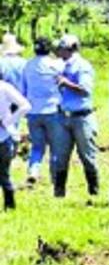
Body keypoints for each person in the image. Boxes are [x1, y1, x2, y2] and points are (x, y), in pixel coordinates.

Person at [52, 34, 100, 197]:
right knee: (61, 155)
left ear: (69, 49)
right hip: (63, 116)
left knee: (87, 155)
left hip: (82, 117)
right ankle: (59, 192)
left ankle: (93, 191)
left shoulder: (82, 66)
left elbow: (85, 89)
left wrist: (66, 82)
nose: (59, 52)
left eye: (61, 49)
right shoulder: (61, 66)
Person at [19, 37, 65, 187]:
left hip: (33, 111)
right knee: (55, 147)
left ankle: (33, 171)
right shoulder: (56, 65)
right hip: (52, 110)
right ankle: (55, 178)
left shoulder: (27, 66)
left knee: (37, 146)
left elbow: (22, 89)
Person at [0, 78, 31, 210]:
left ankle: (10, 205)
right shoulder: (4, 87)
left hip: (3, 137)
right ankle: (10, 206)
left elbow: (26, 106)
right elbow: (25, 106)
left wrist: (7, 122)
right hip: (4, 136)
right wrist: (9, 122)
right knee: (4, 174)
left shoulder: (4, 87)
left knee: (3, 174)